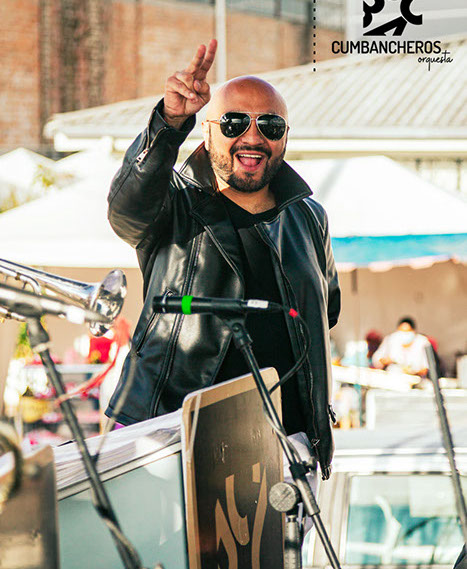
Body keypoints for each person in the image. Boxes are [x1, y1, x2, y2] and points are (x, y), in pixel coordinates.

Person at [105, 39, 341, 478]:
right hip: (172, 437)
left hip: (287, 448)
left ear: (285, 136)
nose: (252, 138)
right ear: (208, 130)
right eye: (234, 123)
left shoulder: (309, 217)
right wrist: (169, 123)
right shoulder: (173, 204)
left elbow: (325, 312)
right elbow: (126, 210)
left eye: (270, 125)